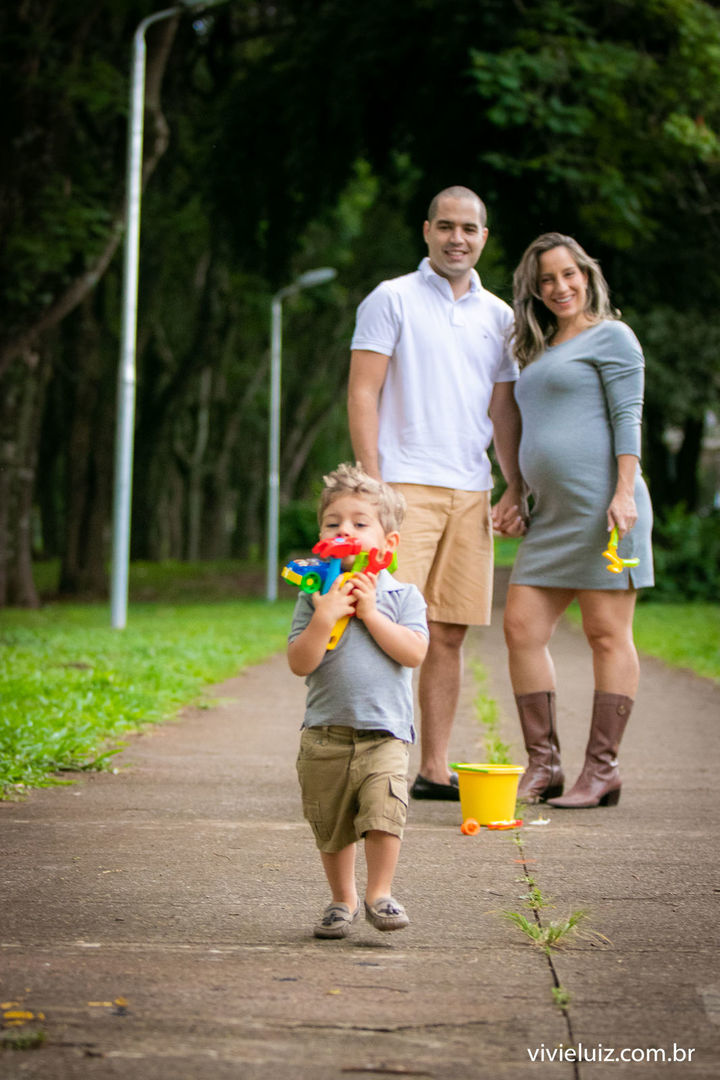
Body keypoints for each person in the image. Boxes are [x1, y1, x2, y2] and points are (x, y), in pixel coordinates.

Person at [348, 185, 524, 802]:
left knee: (448, 633)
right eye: (446, 226)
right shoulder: (390, 298)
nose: (457, 238)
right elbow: (363, 390)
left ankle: (433, 769)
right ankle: (371, 765)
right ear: (426, 231)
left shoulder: (500, 316)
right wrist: (373, 487)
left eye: (469, 229)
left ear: (484, 237)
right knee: (382, 624)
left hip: (472, 491)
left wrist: (514, 486)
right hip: (402, 488)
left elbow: (503, 414)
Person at [504, 232, 654, 809]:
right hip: (553, 518)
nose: (559, 286)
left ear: (587, 274)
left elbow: (627, 416)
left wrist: (624, 492)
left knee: (606, 634)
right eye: (546, 280)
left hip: (605, 511)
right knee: (521, 627)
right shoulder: (537, 350)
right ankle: (543, 765)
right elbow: (530, 431)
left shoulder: (612, 336)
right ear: (534, 290)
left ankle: (602, 770)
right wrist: (514, 492)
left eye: (569, 274)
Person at [288, 463, 429, 938]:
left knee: (384, 813)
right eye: (333, 523)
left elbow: (413, 651)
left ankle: (379, 893)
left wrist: (369, 613)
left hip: (385, 733)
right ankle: (342, 898)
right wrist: (324, 615)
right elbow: (300, 662)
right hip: (325, 732)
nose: (344, 529)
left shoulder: (403, 596)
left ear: (387, 544)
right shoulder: (311, 599)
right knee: (332, 823)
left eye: (359, 523)